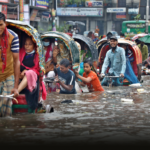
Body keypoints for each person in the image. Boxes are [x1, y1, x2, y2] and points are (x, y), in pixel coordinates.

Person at [0, 12, 20, 117]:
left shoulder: (13, 37)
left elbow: (17, 61)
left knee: (6, 105)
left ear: (5, 24)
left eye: (1, 25)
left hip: (8, 73)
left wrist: (16, 86)